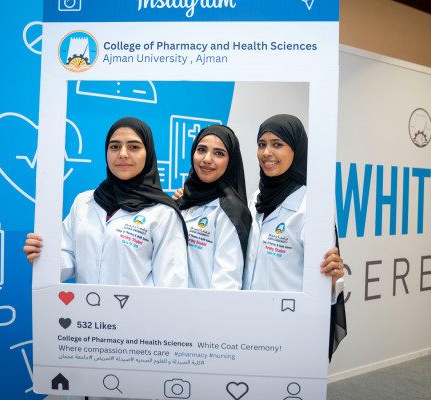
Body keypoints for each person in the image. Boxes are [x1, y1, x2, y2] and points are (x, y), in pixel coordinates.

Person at [23, 117, 188, 288]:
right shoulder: (85, 202)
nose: (122, 154)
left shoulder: (163, 213)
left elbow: (171, 285)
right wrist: (42, 256)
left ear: (148, 154)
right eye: (114, 147)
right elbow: (69, 257)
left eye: (134, 147)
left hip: (136, 314)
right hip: (85, 311)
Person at [241, 114, 347, 359]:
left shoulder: (311, 204)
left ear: (296, 150)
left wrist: (333, 278)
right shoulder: (257, 197)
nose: (267, 152)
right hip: (248, 322)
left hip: (289, 325)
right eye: (261, 144)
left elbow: (324, 275)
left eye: (277, 144)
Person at [174, 125, 252, 289]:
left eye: (219, 153)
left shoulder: (231, 211)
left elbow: (226, 282)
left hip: (202, 311)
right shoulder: (181, 202)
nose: (207, 159)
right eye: (201, 149)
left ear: (231, 161)